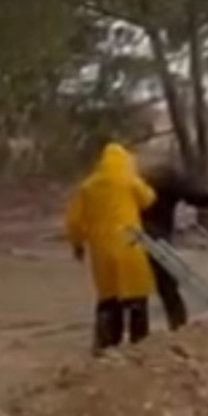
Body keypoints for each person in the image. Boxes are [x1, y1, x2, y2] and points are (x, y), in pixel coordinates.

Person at [65, 142, 157, 352]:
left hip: (102, 250)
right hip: (130, 245)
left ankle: (106, 346)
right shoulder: (129, 181)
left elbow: (74, 221)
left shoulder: (88, 186)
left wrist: (77, 244)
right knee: (136, 296)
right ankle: (140, 346)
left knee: (108, 298)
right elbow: (148, 200)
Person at [139, 161, 208, 330]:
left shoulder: (137, 178)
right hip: (157, 236)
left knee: (133, 289)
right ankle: (177, 325)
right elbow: (195, 196)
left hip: (130, 235)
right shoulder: (170, 179)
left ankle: (133, 336)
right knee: (167, 284)